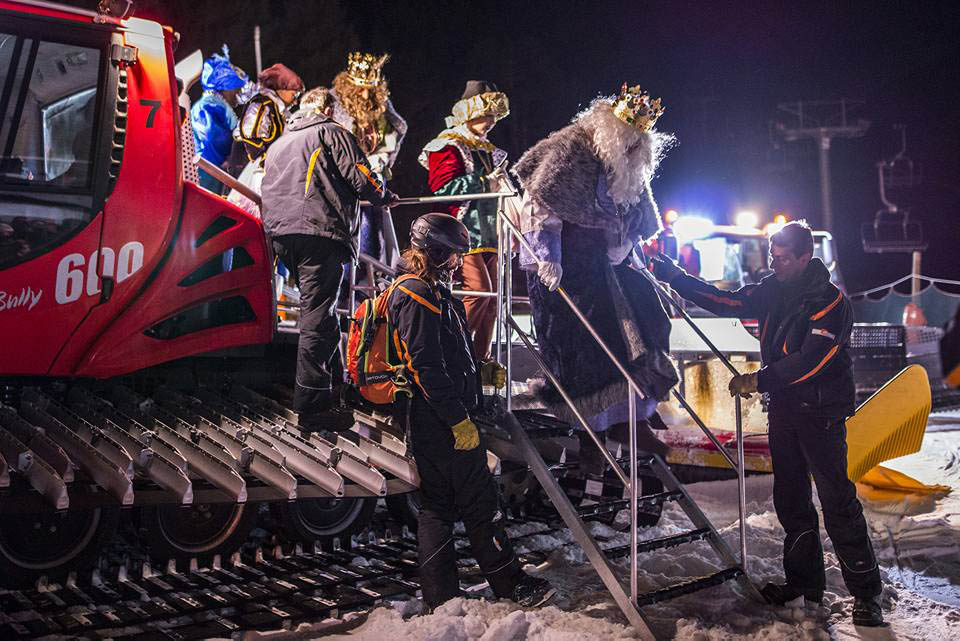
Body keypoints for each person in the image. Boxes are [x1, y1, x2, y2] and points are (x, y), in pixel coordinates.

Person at [651, 221, 884, 626]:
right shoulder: (772, 290)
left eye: (780, 256)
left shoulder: (830, 302)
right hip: (785, 411)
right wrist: (673, 275)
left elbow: (813, 359)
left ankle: (866, 594)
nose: (772, 261)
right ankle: (804, 585)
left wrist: (759, 380)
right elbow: (725, 303)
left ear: (803, 258)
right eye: (772, 254)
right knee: (791, 500)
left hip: (820, 413)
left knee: (837, 501)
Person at [389, 212, 554, 611]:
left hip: (443, 416)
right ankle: (511, 584)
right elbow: (422, 365)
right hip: (438, 420)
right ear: (434, 252)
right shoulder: (413, 294)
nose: (457, 263)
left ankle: (441, 597)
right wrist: (457, 420)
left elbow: (449, 358)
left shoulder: (437, 294)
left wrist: (481, 376)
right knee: (480, 503)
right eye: (452, 255)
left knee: (437, 507)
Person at [511, 84, 678, 461]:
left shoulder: (623, 160)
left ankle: (632, 419)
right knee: (583, 344)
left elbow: (631, 210)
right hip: (565, 265)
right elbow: (541, 201)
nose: (634, 148)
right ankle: (594, 431)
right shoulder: (572, 149)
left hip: (604, 264)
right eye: (629, 139)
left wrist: (626, 246)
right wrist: (546, 255)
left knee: (647, 321)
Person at [259, 91, 397, 431]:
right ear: (327, 108)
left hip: (281, 234)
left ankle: (337, 388)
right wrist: (383, 196)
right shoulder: (331, 132)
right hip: (318, 231)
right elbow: (361, 175)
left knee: (321, 312)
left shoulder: (280, 142)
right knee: (318, 317)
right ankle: (312, 406)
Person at [418, 80, 510, 361]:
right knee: (481, 292)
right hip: (461, 229)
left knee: (494, 302)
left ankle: (480, 363)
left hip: (490, 231)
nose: (492, 121)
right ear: (470, 111)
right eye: (487, 114)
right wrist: (484, 183)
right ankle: (449, 352)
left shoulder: (489, 149)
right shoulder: (448, 144)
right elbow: (441, 188)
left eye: (495, 116)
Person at [331, 52, 407, 271]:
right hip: (347, 181)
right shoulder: (336, 106)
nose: (365, 95)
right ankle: (349, 282)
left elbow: (392, 134)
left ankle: (369, 282)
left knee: (374, 233)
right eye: (360, 89)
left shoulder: (381, 107)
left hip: (373, 177)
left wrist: (382, 157)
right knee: (355, 231)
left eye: (370, 89)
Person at [191, 47, 244, 194]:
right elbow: (214, 140)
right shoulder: (210, 105)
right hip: (209, 174)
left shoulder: (217, 104)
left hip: (213, 172)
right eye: (235, 88)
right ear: (225, 87)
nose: (238, 93)